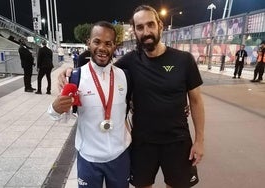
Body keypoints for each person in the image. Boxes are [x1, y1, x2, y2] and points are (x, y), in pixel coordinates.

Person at [58, 5, 205, 188]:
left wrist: (199, 140)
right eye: (140, 27)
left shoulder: (184, 60)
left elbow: (196, 101)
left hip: (178, 143)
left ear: (160, 25)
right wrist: (70, 72)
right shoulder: (129, 63)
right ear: (135, 31)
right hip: (142, 144)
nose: (146, 31)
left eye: (150, 24)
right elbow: (101, 69)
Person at [48, 21, 131, 188]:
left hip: (120, 157)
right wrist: (54, 109)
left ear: (114, 46)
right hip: (89, 159)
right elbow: (63, 117)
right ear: (88, 43)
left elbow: (130, 109)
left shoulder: (125, 76)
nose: (102, 48)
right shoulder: (75, 77)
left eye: (108, 43)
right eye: (97, 41)